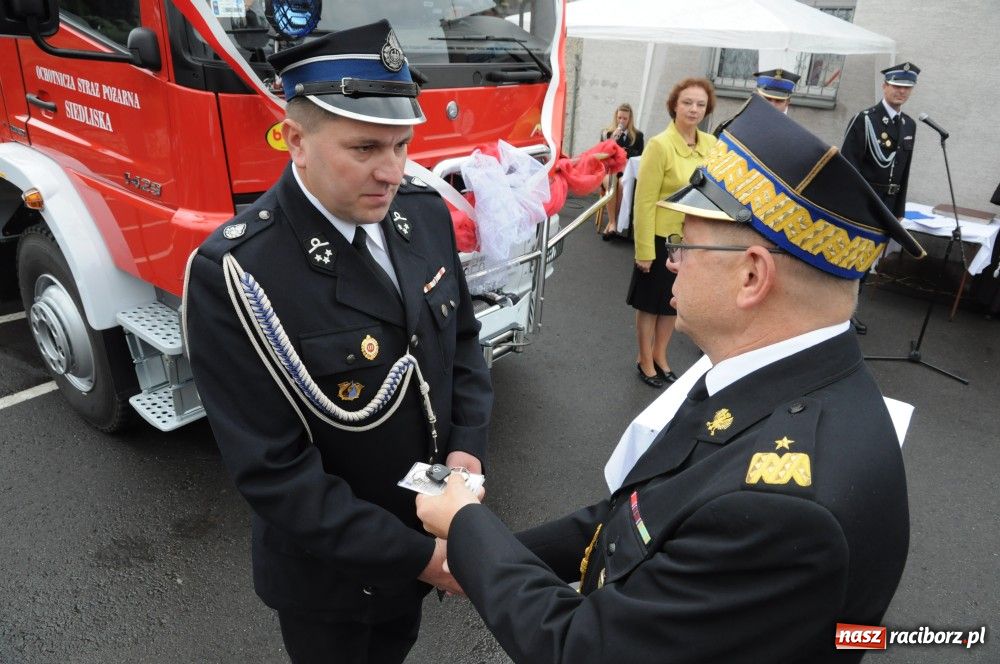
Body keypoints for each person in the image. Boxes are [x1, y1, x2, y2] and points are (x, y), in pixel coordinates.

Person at [415, 95, 923, 664]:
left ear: (753, 274)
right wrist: (480, 556)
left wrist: (466, 527)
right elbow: (631, 520)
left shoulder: (784, 506)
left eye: (685, 242)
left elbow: (583, 649)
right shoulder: (768, 379)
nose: (672, 259)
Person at [184, 20, 493, 664]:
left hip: (423, 537)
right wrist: (422, 558)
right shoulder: (238, 271)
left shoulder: (423, 215)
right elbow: (274, 471)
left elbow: (462, 346)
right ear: (296, 139)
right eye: (364, 148)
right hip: (328, 580)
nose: (392, 170)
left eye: (403, 145)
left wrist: (465, 450)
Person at [628, 78, 716, 387]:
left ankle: (661, 355)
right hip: (659, 238)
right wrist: (643, 251)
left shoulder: (711, 145)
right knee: (650, 303)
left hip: (690, 240)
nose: (694, 109)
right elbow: (644, 201)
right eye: (688, 103)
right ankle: (643, 358)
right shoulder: (660, 145)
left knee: (671, 302)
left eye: (700, 104)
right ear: (674, 106)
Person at [841, 62, 920, 334]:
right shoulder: (866, 119)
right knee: (851, 256)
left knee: (868, 258)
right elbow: (847, 166)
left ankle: (849, 312)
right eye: (896, 86)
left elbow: (904, 171)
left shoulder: (908, 125)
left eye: (906, 88)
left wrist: (899, 209)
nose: (901, 92)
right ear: (884, 86)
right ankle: (837, 312)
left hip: (887, 204)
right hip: (865, 200)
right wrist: (851, 204)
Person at [599, 102, 645, 239]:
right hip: (608, 171)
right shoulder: (607, 133)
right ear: (616, 117)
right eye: (619, 118)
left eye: (625, 118)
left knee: (622, 185)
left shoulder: (638, 135)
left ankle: (612, 224)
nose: (621, 121)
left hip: (625, 171)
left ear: (630, 119)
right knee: (611, 184)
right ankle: (613, 223)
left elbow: (640, 156)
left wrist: (627, 152)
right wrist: (613, 140)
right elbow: (601, 154)